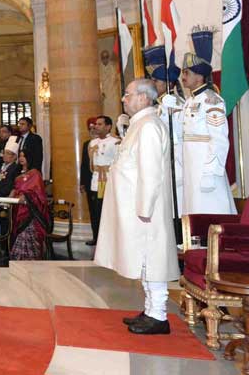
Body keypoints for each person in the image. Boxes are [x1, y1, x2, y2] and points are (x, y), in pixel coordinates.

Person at [95, 78, 180, 335]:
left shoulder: (149, 126)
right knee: (144, 260)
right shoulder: (139, 125)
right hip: (134, 208)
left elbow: (151, 172)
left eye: (128, 94)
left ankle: (159, 315)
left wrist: (144, 208)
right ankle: (150, 309)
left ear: (143, 97)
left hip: (145, 210)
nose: (123, 98)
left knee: (152, 259)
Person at [180, 29, 236, 215]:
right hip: (191, 170)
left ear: (199, 76)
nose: (183, 76)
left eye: (186, 72)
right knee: (194, 214)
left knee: (211, 212)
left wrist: (211, 172)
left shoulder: (212, 101)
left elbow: (219, 139)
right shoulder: (189, 102)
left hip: (206, 170)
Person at [144, 44, 184, 215]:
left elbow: (178, 136)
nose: (152, 84)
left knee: (177, 210)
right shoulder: (158, 105)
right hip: (160, 164)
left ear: (168, 83)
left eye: (156, 81)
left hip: (176, 165)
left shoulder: (178, 104)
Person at [85, 116, 119, 246]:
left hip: (109, 179)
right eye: (96, 124)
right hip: (96, 179)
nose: (96, 127)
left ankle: (110, 240)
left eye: (99, 124)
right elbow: (90, 164)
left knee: (108, 210)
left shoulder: (115, 142)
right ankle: (97, 237)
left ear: (108, 126)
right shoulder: (93, 143)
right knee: (96, 210)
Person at [9, 149, 50, 260]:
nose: (21, 158)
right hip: (18, 209)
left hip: (31, 212)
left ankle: (30, 259)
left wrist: (26, 196)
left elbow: (38, 193)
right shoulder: (18, 175)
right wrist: (13, 193)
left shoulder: (35, 174)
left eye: (24, 156)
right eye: (20, 156)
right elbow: (16, 189)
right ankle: (18, 259)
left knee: (27, 234)